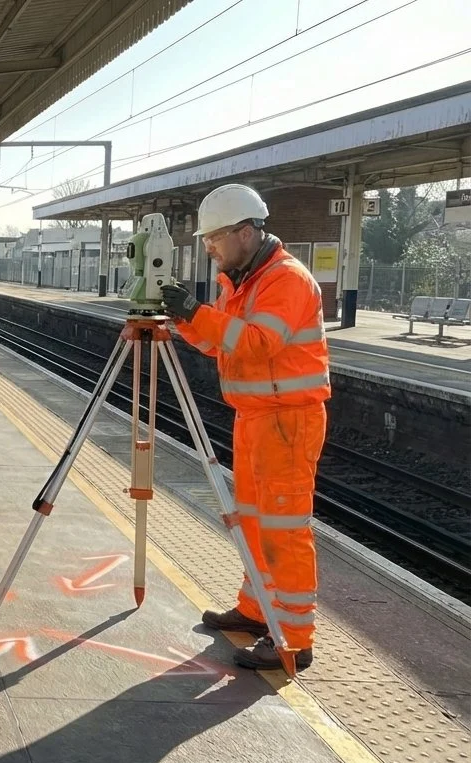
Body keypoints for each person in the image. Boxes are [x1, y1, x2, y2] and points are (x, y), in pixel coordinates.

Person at [159, 183, 330, 672]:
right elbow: (222, 345)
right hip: (255, 418)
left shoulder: (287, 281)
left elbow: (255, 344)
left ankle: (294, 639)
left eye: (214, 237)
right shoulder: (240, 282)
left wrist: (198, 313)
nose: (208, 247)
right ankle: (257, 612)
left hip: (287, 422)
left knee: (284, 529)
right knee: (253, 521)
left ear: (246, 231)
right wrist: (188, 321)